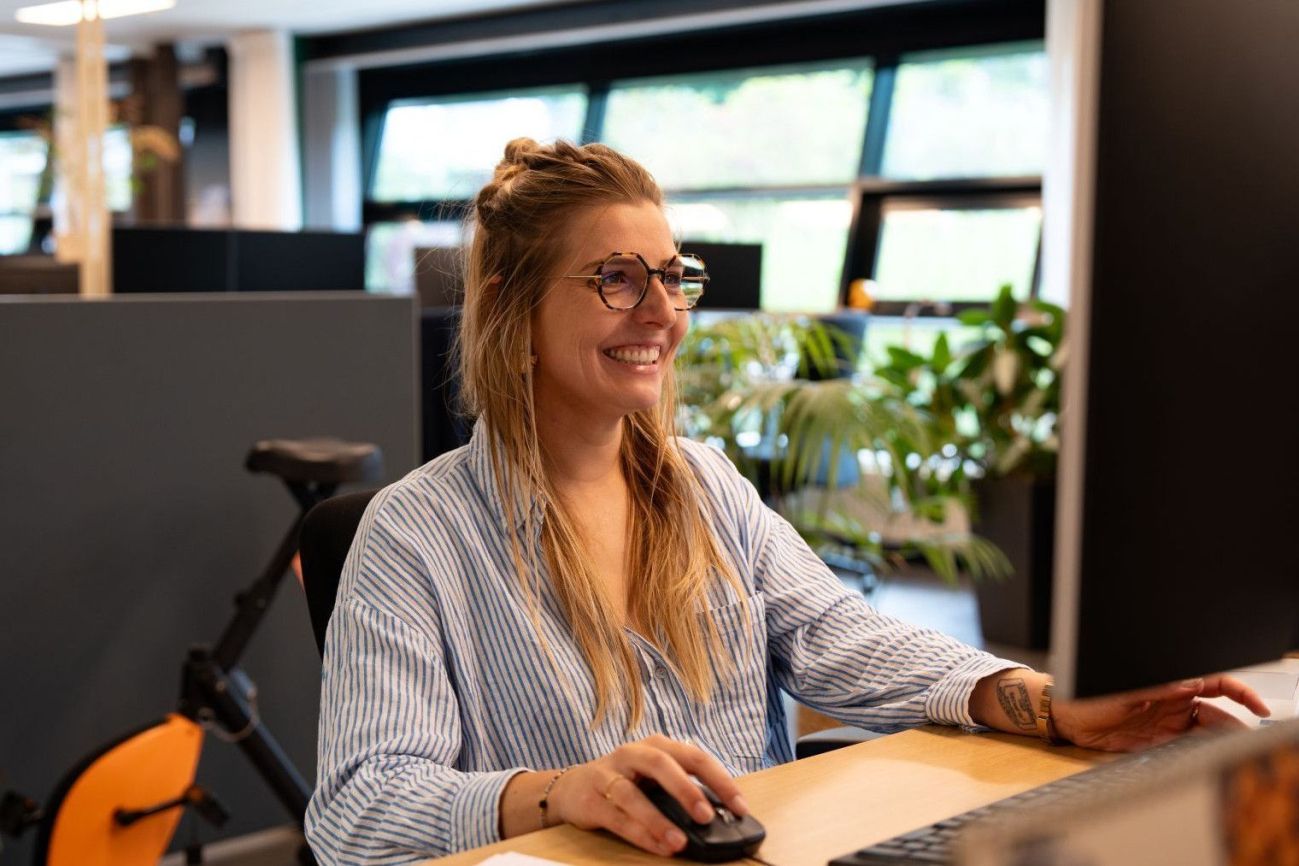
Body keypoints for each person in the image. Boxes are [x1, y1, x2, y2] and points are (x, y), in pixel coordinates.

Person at [304, 139, 1268, 865]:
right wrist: (559, 796)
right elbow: (357, 811)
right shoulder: (416, 534)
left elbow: (843, 641)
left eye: (671, 277)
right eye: (615, 279)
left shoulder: (702, 483)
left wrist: (1046, 703)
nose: (662, 313)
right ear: (511, 305)